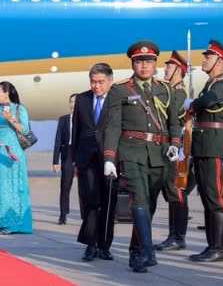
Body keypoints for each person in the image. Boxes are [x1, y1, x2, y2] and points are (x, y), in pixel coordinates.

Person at [103, 41, 181, 273]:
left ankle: (136, 251)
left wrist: (175, 143)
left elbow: (173, 122)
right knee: (139, 198)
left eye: (149, 61)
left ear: (155, 63)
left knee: (150, 204)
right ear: (133, 64)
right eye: (139, 62)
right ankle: (148, 250)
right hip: (132, 151)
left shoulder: (164, 88)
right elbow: (113, 126)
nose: (144, 66)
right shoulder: (120, 90)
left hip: (159, 153)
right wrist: (109, 157)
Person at [185, 40, 223, 263]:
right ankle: (211, 245)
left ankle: (219, 248)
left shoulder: (221, 85)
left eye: (209, 57)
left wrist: (193, 104)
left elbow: (210, 100)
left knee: (215, 197)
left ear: (220, 61)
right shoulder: (210, 84)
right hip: (202, 145)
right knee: (206, 197)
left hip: (212, 145)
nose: (204, 60)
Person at [72, 63, 117, 262]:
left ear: (110, 80)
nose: (96, 86)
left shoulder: (118, 99)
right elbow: (76, 130)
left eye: (100, 82)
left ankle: (104, 246)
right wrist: (74, 160)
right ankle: (90, 244)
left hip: (109, 158)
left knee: (108, 203)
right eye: (93, 82)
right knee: (92, 200)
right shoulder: (82, 99)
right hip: (86, 158)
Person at [154, 51, 192, 251]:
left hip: (175, 148)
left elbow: (168, 113)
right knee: (171, 193)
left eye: (169, 67)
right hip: (168, 147)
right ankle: (173, 235)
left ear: (178, 70)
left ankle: (178, 236)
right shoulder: (171, 91)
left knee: (176, 192)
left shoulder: (178, 93)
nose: (165, 69)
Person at [0, 81, 33, 235]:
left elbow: (25, 130)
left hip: (15, 152)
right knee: (1, 188)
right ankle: (0, 222)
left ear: (6, 92)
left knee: (14, 187)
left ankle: (14, 224)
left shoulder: (19, 109)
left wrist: (10, 119)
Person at [53, 94, 77, 225]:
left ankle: (86, 215)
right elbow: (58, 141)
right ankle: (63, 214)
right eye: (71, 102)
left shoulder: (85, 119)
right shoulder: (63, 119)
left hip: (81, 153)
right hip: (67, 153)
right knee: (65, 185)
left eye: (75, 102)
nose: (73, 104)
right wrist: (55, 161)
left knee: (85, 187)